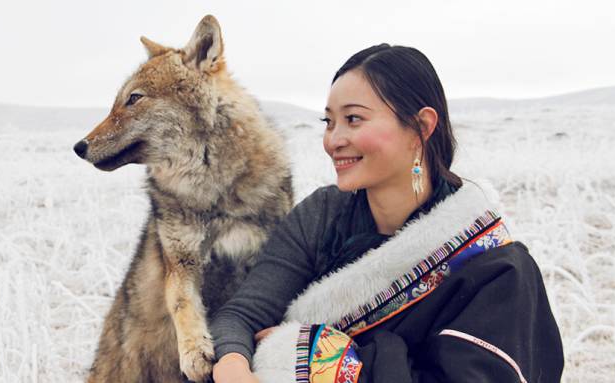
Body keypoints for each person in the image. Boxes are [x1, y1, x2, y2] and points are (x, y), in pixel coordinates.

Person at [210, 44, 564, 383]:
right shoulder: (321, 216)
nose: (333, 140)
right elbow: (242, 315)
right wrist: (234, 368)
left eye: (353, 119)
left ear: (422, 127)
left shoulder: (495, 269)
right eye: (329, 121)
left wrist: (313, 355)